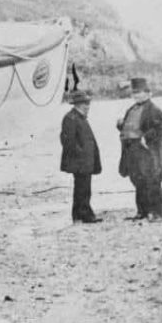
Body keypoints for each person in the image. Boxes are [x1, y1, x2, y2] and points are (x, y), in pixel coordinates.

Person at [117, 77, 162, 222]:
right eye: (135, 92)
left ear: (148, 93)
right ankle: (143, 212)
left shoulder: (154, 110)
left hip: (147, 151)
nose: (137, 95)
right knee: (137, 180)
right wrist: (121, 125)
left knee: (152, 181)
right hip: (131, 150)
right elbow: (129, 127)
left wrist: (146, 138)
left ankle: (157, 214)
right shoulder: (131, 109)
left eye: (140, 92)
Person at [60, 90, 103, 224]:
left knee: (84, 188)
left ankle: (80, 215)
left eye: (87, 104)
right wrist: (80, 155)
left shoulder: (79, 117)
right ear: (77, 105)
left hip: (85, 161)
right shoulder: (71, 118)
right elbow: (68, 141)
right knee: (82, 188)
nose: (87, 106)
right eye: (85, 104)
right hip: (80, 162)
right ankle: (83, 215)